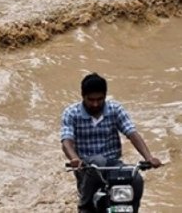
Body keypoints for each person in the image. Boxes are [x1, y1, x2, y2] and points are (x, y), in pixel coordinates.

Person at [60, 72, 162, 212]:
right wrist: (74, 159)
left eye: (100, 99)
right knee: (98, 160)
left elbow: (131, 133)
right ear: (83, 96)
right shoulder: (71, 113)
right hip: (85, 167)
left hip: (112, 165)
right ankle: (84, 206)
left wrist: (149, 157)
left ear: (105, 96)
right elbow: (67, 141)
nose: (95, 104)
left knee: (136, 179)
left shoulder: (115, 109)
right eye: (91, 100)